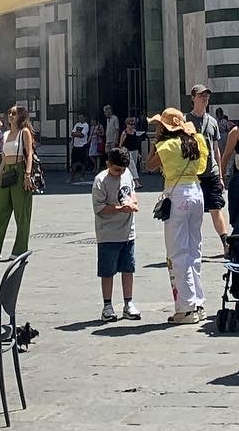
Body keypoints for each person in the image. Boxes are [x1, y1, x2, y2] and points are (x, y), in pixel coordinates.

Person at [146, 107, 208, 324]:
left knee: (177, 253)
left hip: (177, 194)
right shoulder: (195, 142)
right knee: (194, 250)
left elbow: (149, 164)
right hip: (196, 192)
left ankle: (186, 307)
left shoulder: (166, 145)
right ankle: (198, 303)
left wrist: (156, 140)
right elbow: (202, 167)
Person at [92, 146, 140, 321]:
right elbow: (100, 209)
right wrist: (121, 208)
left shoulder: (126, 174)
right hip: (108, 235)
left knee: (128, 269)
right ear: (108, 164)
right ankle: (107, 306)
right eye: (116, 169)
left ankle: (128, 304)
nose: (120, 173)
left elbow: (132, 192)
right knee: (107, 271)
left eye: (122, 169)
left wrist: (133, 203)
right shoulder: (100, 181)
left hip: (128, 233)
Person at [0, 104, 36, 258]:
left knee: (21, 212)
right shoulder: (5, 134)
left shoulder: (24, 132)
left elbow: (29, 154)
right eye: (9, 113)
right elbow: (3, 159)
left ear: (21, 116)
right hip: (7, 172)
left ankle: (19, 250)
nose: (10, 115)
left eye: (14, 113)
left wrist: (27, 174)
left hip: (20, 170)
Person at [188, 85, 229, 252]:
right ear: (193, 97)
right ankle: (191, 245)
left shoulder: (212, 122)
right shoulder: (185, 121)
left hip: (210, 173)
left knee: (216, 208)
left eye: (207, 96)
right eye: (201, 95)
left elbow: (216, 149)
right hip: (192, 174)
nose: (204, 98)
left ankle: (226, 242)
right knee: (191, 212)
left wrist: (220, 174)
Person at [120, 114, 146, 180]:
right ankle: (136, 180)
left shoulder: (134, 132)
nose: (132, 126)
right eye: (131, 124)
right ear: (127, 124)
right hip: (127, 151)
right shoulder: (125, 133)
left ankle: (128, 179)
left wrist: (139, 153)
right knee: (132, 166)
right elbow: (121, 143)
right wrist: (121, 151)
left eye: (133, 124)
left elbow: (135, 142)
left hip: (135, 150)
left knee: (132, 165)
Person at [69, 113, 91, 181]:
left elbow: (82, 135)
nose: (80, 119)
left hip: (82, 145)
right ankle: (72, 177)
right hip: (75, 145)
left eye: (81, 117)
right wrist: (76, 134)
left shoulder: (86, 125)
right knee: (74, 162)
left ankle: (82, 176)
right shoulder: (77, 124)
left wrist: (76, 134)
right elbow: (72, 133)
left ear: (84, 118)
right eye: (79, 118)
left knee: (82, 162)